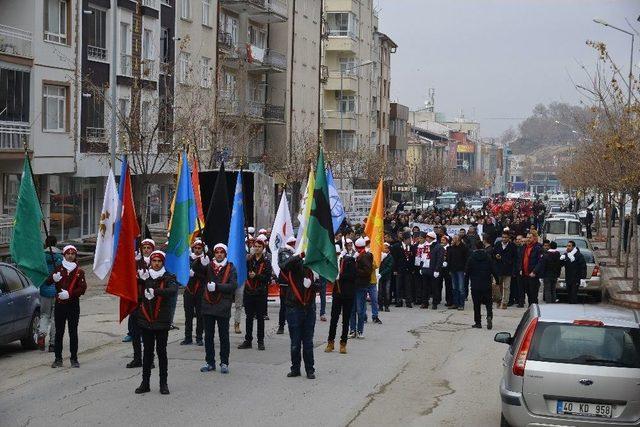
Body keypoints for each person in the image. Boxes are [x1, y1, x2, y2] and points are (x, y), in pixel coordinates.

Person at [134, 250, 178, 395]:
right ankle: (145, 382)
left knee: (161, 352)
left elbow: (173, 290)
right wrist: (140, 280)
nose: (156, 263)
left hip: (161, 320)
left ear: (162, 262)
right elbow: (136, 293)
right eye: (154, 261)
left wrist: (157, 291)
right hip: (146, 319)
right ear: (150, 262)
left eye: (159, 261)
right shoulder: (145, 276)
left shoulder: (169, 276)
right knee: (147, 353)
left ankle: (163, 383)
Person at [200, 243, 238, 374]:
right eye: (217, 252)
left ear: (225, 254)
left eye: (222, 252)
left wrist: (217, 287)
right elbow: (197, 273)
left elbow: (233, 286)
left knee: (224, 336)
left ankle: (224, 362)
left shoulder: (230, 267)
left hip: (223, 306)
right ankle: (210, 362)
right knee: (208, 336)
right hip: (208, 305)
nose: (219, 254)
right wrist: (200, 262)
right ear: (214, 254)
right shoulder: (209, 266)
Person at [280, 251, 318, 379]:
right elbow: (284, 265)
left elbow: (320, 286)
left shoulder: (315, 266)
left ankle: (310, 370)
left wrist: (311, 285)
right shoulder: (296, 264)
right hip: (294, 307)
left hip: (309, 308)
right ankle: (295, 368)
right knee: (295, 342)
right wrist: (300, 255)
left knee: (308, 342)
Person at [48, 245, 87, 368]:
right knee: (59, 333)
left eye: (73, 254)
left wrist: (70, 294)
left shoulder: (79, 271)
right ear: (64, 255)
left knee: (73, 332)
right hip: (60, 305)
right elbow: (47, 282)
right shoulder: (58, 269)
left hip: (73, 305)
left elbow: (82, 288)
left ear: (75, 256)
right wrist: (53, 278)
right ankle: (58, 358)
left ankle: (74, 358)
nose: (70, 255)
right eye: (68, 253)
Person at [126, 238, 156, 368]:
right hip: (136, 301)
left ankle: (150, 359)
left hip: (150, 302)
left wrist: (146, 279)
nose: (146, 250)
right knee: (134, 331)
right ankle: (137, 358)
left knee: (148, 333)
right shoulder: (136, 263)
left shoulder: (156, 262)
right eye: (144, 248)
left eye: (148, 248)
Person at [238, 236, 272, 350]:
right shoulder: (249, 260)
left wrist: (256, 276)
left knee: (260, 318)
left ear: (263, 248)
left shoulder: (266, 262)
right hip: (249, 292)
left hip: (260, 293)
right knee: (249, 317)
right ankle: (248, 340)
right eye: (255, 247)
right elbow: (242, 272)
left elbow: (267, 277)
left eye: (259, 247)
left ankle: (260, 340)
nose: (257, 249)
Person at [326, 244, 356, 354]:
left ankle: (343, 344)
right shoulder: (332, 263)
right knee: (334, 319)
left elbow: (353, 276)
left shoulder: (350, 261)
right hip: (337, 295)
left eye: (337, 254)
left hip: (348, 295)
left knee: (345, 320)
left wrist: (341, 276)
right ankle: (330, 342)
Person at [181, 239, 209, 346]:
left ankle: (199, 337)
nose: (197, 250)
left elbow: (207, 276)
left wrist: (196, 273)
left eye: (199, 248)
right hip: (188, 290)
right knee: (188, 315)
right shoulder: (188, 259)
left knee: (200, 315)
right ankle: (188, 337)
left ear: (203, 249)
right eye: (196, 248)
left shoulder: (205, 260)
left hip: (200, 290)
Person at [38, 235, 63, 352]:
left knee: (44, 315)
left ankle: (41, 334)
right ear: (56, 243)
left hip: (44, 290)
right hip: (57, 291)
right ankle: (53, 343)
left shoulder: (41, 257)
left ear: (46, 244)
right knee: (55, 318)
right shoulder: (60, 257)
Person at [466, 241, 498, 330]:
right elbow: (493, 269)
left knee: (476, 304)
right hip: (486, 283)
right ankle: (489, 316)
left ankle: (478, 322)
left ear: (475, 247)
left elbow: (467, 271)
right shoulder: (488, 257)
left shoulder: (471, 258)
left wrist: (466, 284)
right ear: (483, 247)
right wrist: (497, 281)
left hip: (475, 285)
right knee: (488, 303)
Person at [349, 238, 374, 338]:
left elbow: (367, 271)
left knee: (360, 310)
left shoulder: (366, 256)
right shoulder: (355, 255)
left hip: (362, 286)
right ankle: (352, 330)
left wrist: (355, 269)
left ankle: (360, 330)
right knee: (352, 310)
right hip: (353, 286)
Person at [276, 237, 297, 335]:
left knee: (293, 306)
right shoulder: (283, 253)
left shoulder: (294, 254)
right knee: (284, 306)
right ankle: (281, 326)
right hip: (285, 283)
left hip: (293, 283)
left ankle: (292, 325)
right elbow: (284, 265)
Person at [493, 231, 517, 309]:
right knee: (496, 286)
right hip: (498, 269)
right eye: (503, 237)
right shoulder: (497, 244)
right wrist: (496, 256)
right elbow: (493, 254)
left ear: (508, 238)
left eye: (505, 237)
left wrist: (503, 259)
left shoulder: (512, 246)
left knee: (507, 287)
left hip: (508, 269)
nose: (504, 239)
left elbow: (514, 258)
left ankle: (505, 303)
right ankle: (498, 300)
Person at [390, 231, 414, 308]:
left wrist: (412, 268)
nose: (410, 240)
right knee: (398, 286)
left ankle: (408, 302)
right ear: (405, 239)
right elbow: (394, 259)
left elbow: (412, 259)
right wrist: (394, 270)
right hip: (399, 270)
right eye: (409, 238)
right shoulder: (396, 246)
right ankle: (399, 301)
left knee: (408, 286)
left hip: (408, 270)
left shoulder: (411, 247)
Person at [422, 231, 444, 310]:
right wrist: (422, 267)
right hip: (425, 268)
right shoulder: (425, 245)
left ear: (432, 238)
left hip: (433, 270)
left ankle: (435, 303)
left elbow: (440, 259)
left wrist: (437, 270)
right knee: (425, 287)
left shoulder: (438, 247)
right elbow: (423, 257)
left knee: (434, 287)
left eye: (427, 237)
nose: (426, 238)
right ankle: (425, 303)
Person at [521, 233, 543, 306]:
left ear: (534, 238)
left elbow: (540, 262)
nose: (528, 239)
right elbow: (521, 259)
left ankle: (534, 310)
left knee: (533, 294)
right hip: (525, 274)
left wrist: (534, 271)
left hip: (533, 275)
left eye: (530, 237)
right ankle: (530, 308)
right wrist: (521, 269)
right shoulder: (524, 247)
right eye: (527, 237)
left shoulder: (538, 248)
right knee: (528, 293)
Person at [447, 234, 468, 310]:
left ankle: (461, 304)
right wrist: (449, 269)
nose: (453, 240)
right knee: (454, 287)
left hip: (461, 270)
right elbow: (449, 259)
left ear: (458, 239)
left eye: (454, 239)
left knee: (461, 288)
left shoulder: (464, 248)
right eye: (453, 239)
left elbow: (466, 259)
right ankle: (455, 303)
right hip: (453, 270)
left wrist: (466, 270)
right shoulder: (452, 248)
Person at [377, 243, 394, 312]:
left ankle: (386, 306)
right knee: (380, 292)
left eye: (386, 248)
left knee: (386, 292)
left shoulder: (390, 257)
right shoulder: (379, 256)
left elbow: (389, 267)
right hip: (379, 277)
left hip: (387, 277)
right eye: (384, 248)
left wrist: (381, 273)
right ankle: (380, 306)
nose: (385, 249)